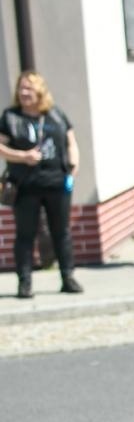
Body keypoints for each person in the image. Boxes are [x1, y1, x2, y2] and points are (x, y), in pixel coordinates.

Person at [1, 71, 80, 297]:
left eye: (29, 88)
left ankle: (68, 277)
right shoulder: (11, 117)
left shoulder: (55, 114)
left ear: (40, 91)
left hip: (56, 182)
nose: (24, 93)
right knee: (25, 234)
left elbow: (71, 141)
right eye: (21, 89)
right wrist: (22, 156)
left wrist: (73, 166)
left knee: (61, 232)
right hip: (26, 185)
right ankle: (24, 283)